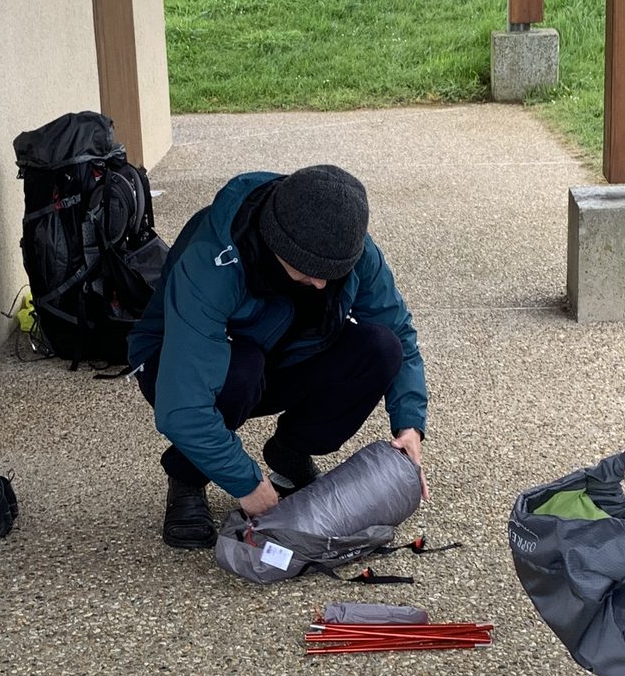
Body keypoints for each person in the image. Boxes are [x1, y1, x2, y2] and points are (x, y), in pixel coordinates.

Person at [127, 163, 427, 550]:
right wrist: (247, 484)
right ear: (275, 243)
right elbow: (181, 406)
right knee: (241, 370)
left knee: (381, 349)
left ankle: (290, 451)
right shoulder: (211, 260)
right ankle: (188, 476)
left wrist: (410, 425)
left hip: (275, 354)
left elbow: (399, 329)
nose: (321, 282)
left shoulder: (349, 247)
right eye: (309, 270)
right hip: (177, 361)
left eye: (332, 273)